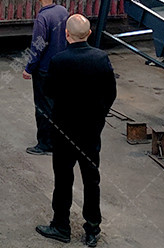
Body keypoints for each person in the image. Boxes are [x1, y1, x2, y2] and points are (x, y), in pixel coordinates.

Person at [35, 15, 117, 247]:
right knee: (91, 180)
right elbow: (111, 93)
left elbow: (49, 91)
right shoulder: (101, 58)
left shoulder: (59, 61)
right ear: (89, 34)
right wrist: (99, 115)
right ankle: (92, 228)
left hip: (64, 131)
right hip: (91, 131)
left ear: (66, 34)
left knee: (63, 179)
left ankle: (61, 226)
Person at [23, 0, 69, 156]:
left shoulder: (43, 18)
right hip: (61, 67)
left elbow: (38, 46)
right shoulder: (63, 11)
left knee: (43, 107)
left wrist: (29, 68)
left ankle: (44, 144)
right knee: (58, 105)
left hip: (44, 70)